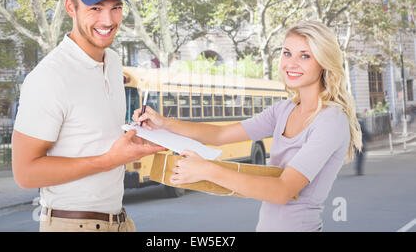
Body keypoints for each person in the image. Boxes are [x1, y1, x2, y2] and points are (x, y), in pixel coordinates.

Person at [133, 20, 362, 232]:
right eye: (287, 53)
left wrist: (207, 170)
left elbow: (282, 191)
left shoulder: (331, 120)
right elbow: (220, 134)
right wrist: (164, 123)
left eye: (305, 56)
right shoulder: (283, 110)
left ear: (324, 61)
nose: (291, 63)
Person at [12, 0, 165, 232]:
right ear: (71, 7)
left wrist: (134, 136)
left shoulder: (115, 62)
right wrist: (109, 160)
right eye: (95, 8)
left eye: (115, 8)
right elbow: (25, 173)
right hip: (71, 225)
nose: (108, 21)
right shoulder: (48, 77)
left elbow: (93, 138)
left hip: (119, 221)